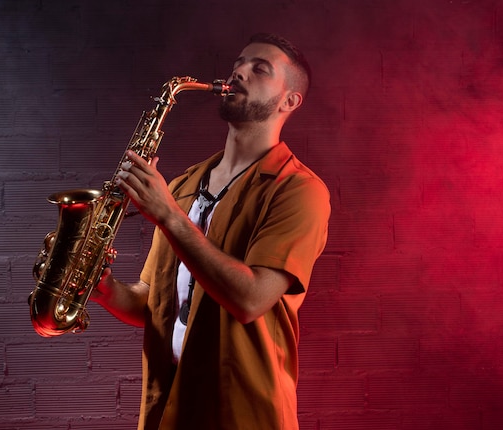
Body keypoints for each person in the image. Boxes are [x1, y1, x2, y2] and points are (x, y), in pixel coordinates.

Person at [91, 33, 331, 430]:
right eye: (239, 63)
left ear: (289, 101)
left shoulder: (299, 191)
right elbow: (154, 304)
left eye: (260, 69)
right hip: (167, 407)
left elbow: (251, 299)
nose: (239, 72)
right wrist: (106, 291)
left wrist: (169, 216)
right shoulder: (185, 184)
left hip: (242, 412)